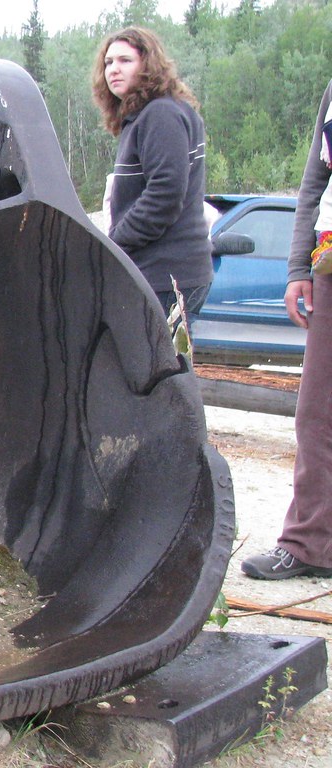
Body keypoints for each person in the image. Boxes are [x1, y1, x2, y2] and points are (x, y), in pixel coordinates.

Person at [240, 79, 332, 580]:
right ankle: (310, 544)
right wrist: (299, 267)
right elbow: (315, 182)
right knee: (318, 413)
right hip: (330, 262)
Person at [91, 27, 212, 317]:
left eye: (125, 61)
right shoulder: (150, 115)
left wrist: (115, 242)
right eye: (108, 62)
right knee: (159, 362)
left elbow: (165, 195)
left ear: (148, 65)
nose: (113, 70)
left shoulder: (160, 114)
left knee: (155, 363)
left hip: (168, 274)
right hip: (163, 273)